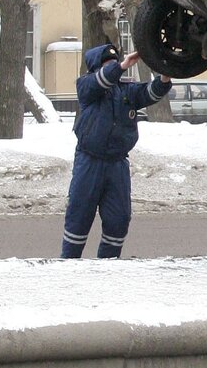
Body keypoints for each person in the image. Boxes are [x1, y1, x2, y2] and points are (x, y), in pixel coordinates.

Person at [61, 44, 172, 258]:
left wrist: (165, 76)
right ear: (96, 67)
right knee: (79, 215)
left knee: (119, 219)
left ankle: (109, 265)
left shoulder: (126, 91)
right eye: (107, 64)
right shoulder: (87, 87)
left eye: (114, 62)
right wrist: (121, 66)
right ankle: (68, 265)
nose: (112, 67)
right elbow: (99, 81)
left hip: (117, 164)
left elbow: (150, 92)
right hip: (89, 161)